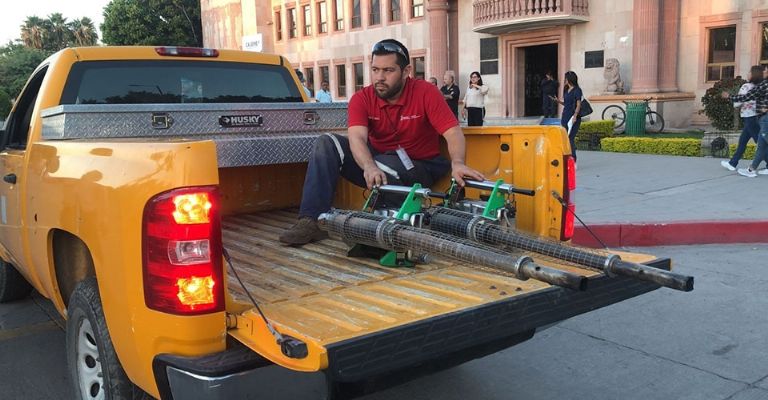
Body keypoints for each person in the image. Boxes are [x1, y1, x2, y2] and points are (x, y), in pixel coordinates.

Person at [279, 39, 485, 245]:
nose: (380, 77)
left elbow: (453, 132)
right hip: (377, 165)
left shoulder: (426, 92)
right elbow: (357, 137)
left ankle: (380, 226)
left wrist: (458, 162)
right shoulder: (362, 98)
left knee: (385, 163)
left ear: (406, 71)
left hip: (418, 167)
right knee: (326, 143)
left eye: (388, 70)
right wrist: (368, 166)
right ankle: (312, 220)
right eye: (375, 70)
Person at [722, 66, 768, 177]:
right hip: (759, 117)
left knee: (761, 143)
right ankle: (735, 164)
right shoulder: (762, 85)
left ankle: (749, 169)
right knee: (751, 142)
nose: (764, 72)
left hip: (758, 118)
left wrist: (729, 97)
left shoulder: (754, 86)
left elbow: (743, 99)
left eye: (766, 70)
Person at [551, 71, 582, 162]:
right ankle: (566, 158)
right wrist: (558, 101)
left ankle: (573, 160)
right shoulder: (566, 89)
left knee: (570, 138)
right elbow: (567, 104)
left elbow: (578, 104)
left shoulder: (577, 90)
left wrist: (575, 116)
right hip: (565, 116)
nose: (564, 80)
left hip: (573, 117)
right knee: (565, 138)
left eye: (566, 78)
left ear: (569, 79)